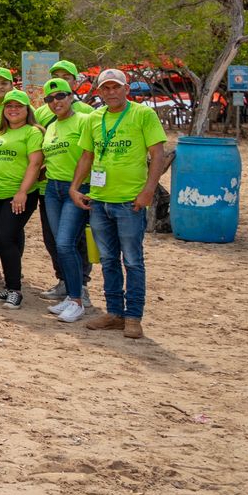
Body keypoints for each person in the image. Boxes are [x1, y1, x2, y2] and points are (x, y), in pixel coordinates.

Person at [69, 68, 168, 340]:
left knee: (133, 260)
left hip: (129, 202)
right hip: (100, 201)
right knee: (108, 259)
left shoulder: (143, 114)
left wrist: (148, 191)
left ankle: (133, 317)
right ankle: (114, 313)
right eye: (106, 88)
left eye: (116, 87)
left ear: (127, 89)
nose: (111, 92)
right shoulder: (94, 118)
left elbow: (158, 154)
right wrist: (75, 187)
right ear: (99, 91)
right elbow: (87, 156)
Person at [0, 90, 45, 309]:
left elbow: (35, 164)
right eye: (9, 106)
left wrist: (22, 192)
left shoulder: (32, 132)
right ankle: (7, 287)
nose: (13, 110)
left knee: (5, 238)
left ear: (27, 109)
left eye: (18, 106)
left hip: (18, 195)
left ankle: (15, 290)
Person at [37, 77, 94, 319]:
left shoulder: (84, 120)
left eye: (60, 96)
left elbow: (89, 155)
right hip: (53, 189)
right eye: (49, 99)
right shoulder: (51, 127)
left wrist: (76, 187)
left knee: (66, 243)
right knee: (60, 245)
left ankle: (78, 299)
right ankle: (71, 294)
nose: (55, 101)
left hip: (77, 189)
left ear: (71, 96)